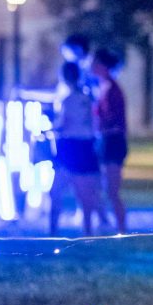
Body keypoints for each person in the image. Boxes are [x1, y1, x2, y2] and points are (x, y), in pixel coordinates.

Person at [49, 62, 102, 236]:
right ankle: (88, 232)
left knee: (56, 191)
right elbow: (94, 123)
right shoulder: (88, 98)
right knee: (85, 194)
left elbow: (64, 124)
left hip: (70, 147)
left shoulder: (67, 100)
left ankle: (53, 232)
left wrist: (50, 129)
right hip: (86, 147)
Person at [90, 48, 128, 233]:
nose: (92, 67)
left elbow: (115, 121)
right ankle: (104, 221)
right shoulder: (102, 87)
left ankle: (122, 228)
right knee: (99, 186)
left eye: (96, 64)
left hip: (113, 142)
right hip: (104, 141)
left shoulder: (113, 89)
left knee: (112, 190)